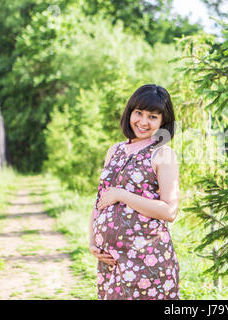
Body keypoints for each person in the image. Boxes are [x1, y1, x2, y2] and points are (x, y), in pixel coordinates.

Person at [88, 84, 180, 300]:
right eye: (138, 113)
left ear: (163, 122)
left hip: (146, 262)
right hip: (111, 262)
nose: (143, 121)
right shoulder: (115, 150)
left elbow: (170, 211)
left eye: (152, 116)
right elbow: (100, 201)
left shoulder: (162, 154)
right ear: (130, 112)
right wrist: (92, 242)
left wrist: (122, 195)